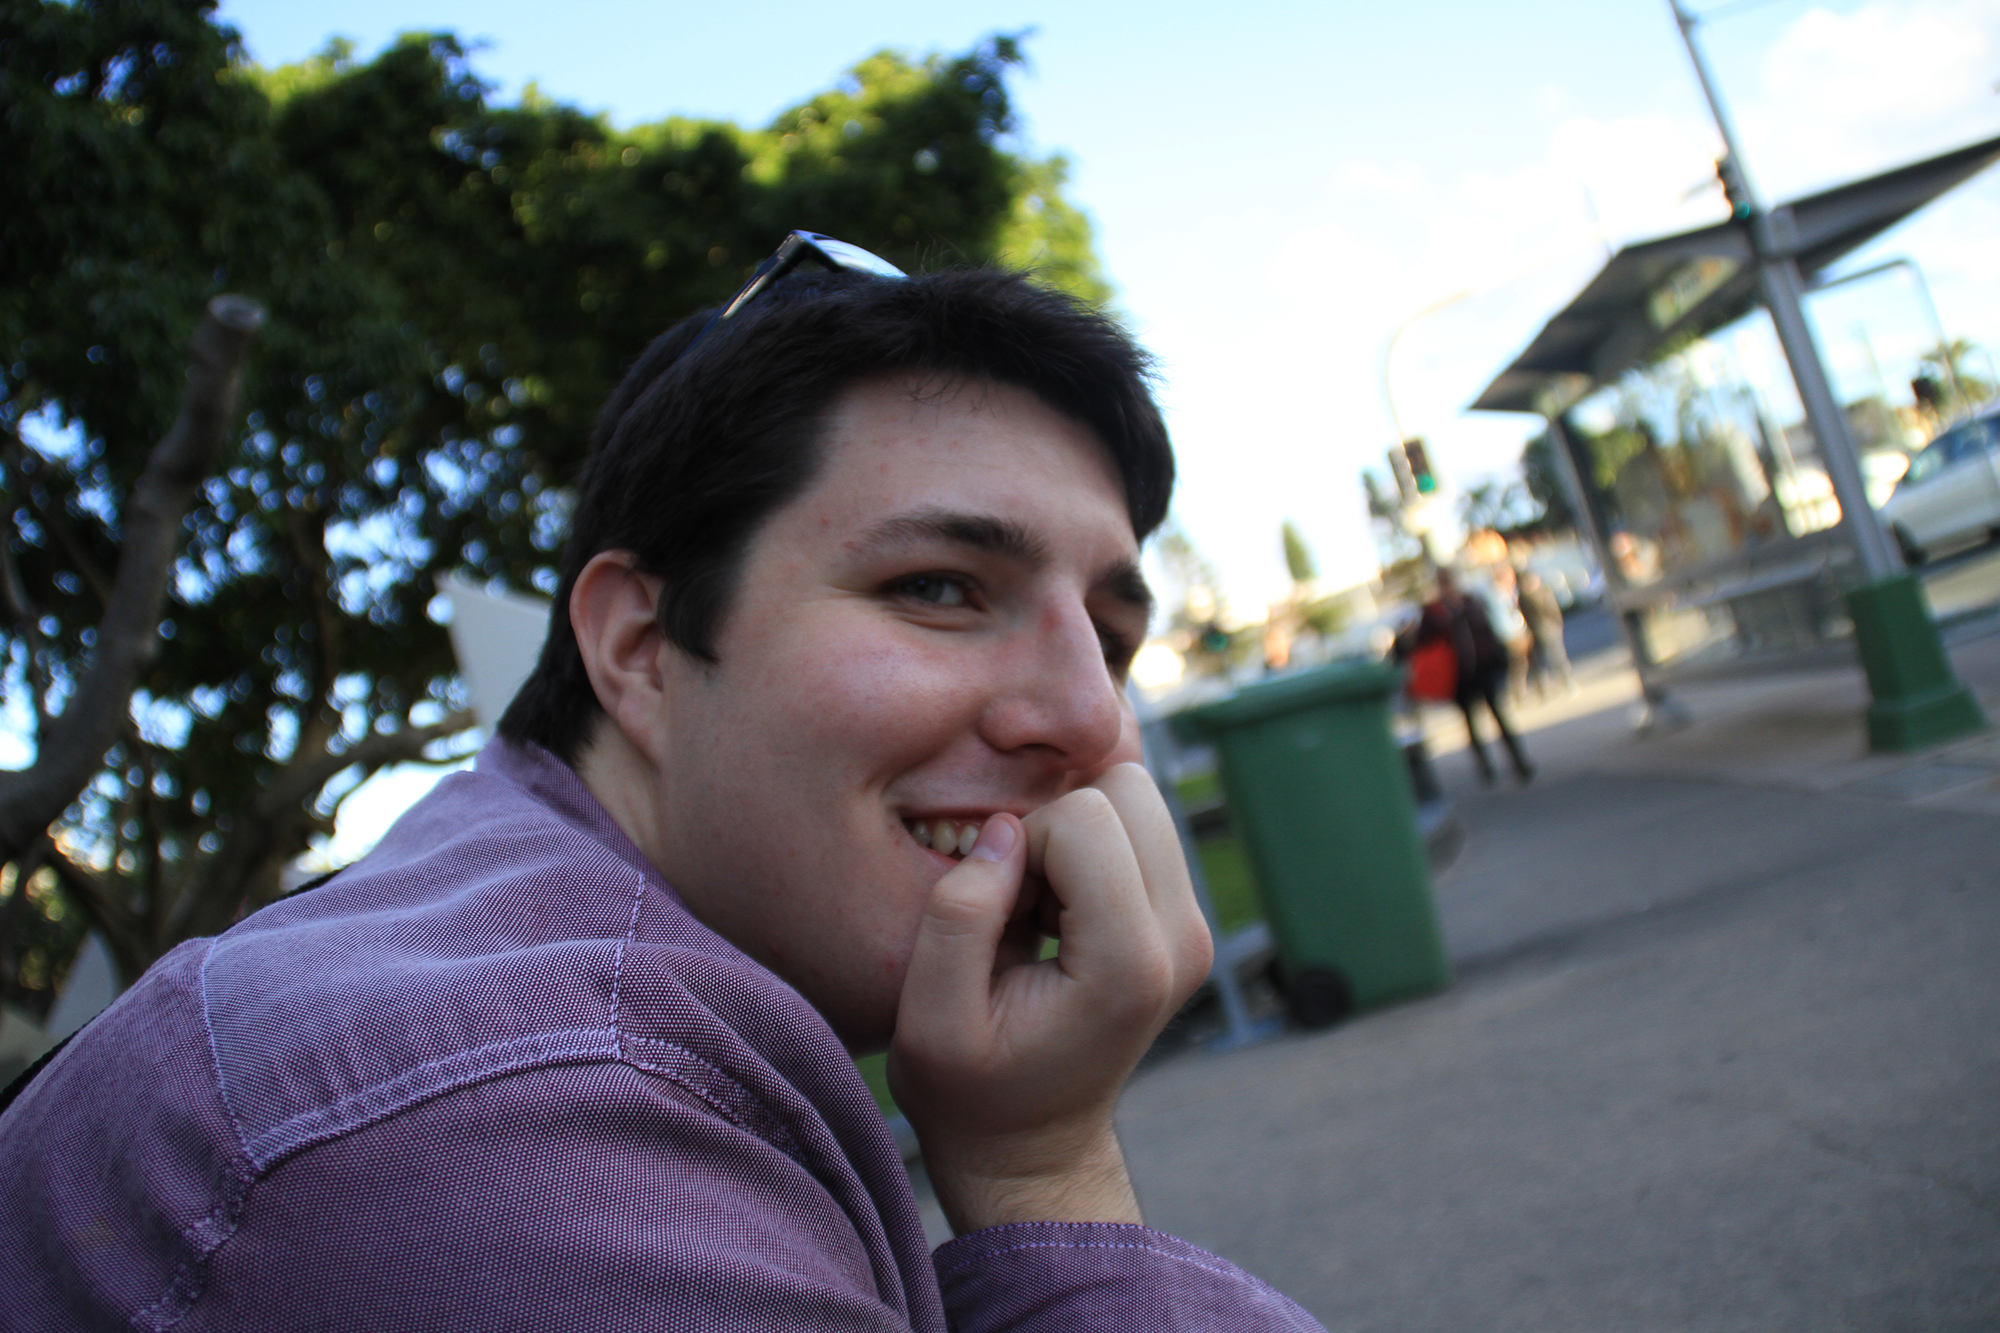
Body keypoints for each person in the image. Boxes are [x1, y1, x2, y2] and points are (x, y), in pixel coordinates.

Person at [0, 243, 1324, 1331]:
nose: (1091, 717)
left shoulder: (504, 951)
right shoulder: (522, 1120)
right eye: (938, 587)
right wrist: (1048, 1175)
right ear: (639, 648)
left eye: (1111, 636)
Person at [1414, 567, 1533, 786]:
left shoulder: (1469, 601)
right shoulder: (1435, 611)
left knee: (1499, 715)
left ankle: (1519, 761)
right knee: (1472, 722)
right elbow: (1423, 642)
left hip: (1482, 669)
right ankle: (1486, 767)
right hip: (1459, 676)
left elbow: (1487, 629)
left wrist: (1496, 656)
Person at [1516, 568, 1573, 696]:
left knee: (1549, 657)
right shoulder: (1536, 594)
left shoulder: (1526, 596)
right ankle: (1564, 681)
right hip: (1547, 628)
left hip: (1542, 628)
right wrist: (1557, 622)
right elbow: (1551, 609)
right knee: (1556, 656)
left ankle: (1553, 684)